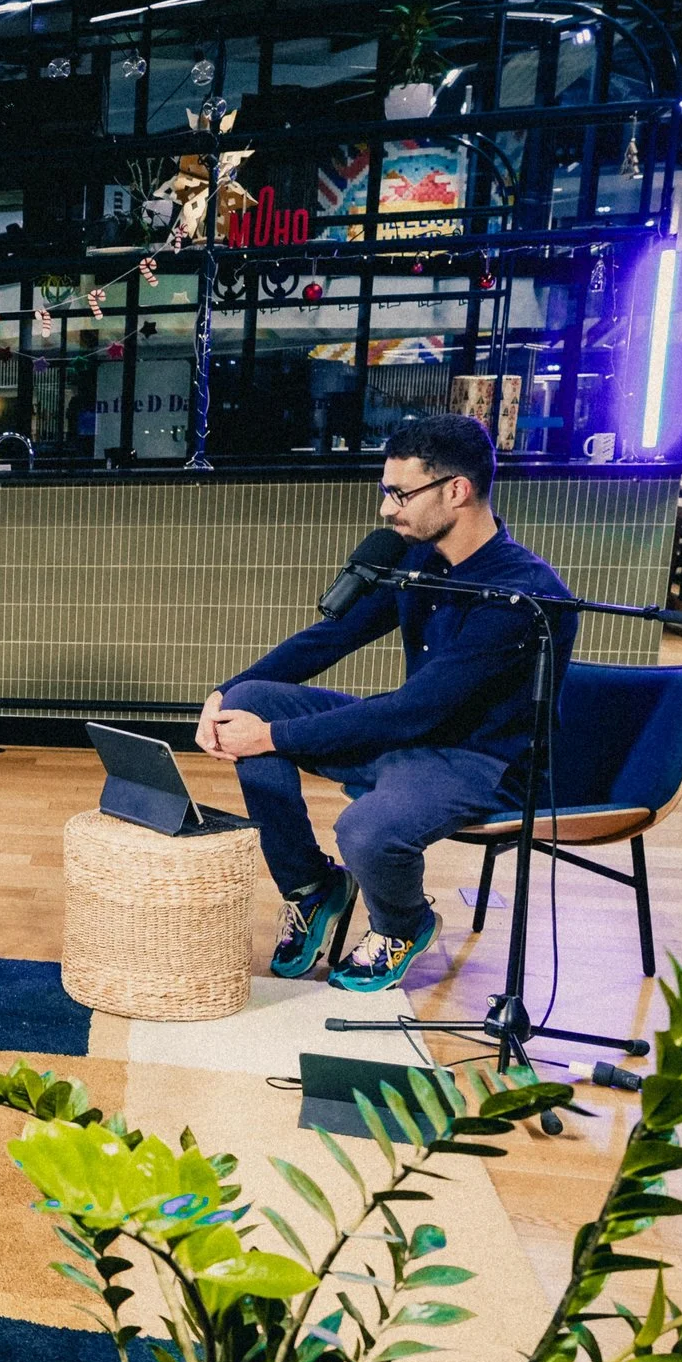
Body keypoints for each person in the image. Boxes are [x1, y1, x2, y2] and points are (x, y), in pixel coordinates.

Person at [199, 413, 578, 994]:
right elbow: (332, 637)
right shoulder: (418, 561)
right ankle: (312, 887)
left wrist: (269, 738)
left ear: (457, 490)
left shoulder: (520, 595)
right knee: (251, 701)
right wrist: (224, 694)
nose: (386, 509)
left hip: (482, 761)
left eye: (400, 493)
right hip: (412, 737)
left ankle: (404, 924)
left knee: (364, 830)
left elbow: (415, 710)